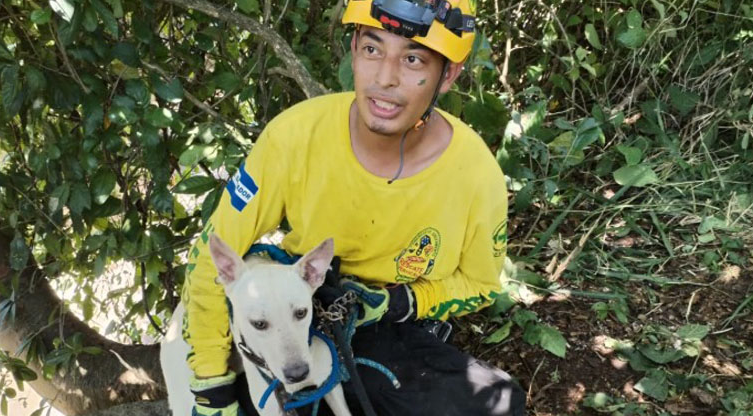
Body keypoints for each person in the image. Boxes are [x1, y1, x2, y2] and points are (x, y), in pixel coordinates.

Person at [181, 0, 526, 414]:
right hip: (297, 308)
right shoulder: (294, 137)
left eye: (413, 59)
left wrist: (401, 303)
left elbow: (482, 284)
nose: (385, 79)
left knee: (496, 406)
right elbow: (211, 257)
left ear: (447, 75)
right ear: (353, 50)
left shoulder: (475, 174)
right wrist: (211, 386)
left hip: (389, 325)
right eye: (373, 49)